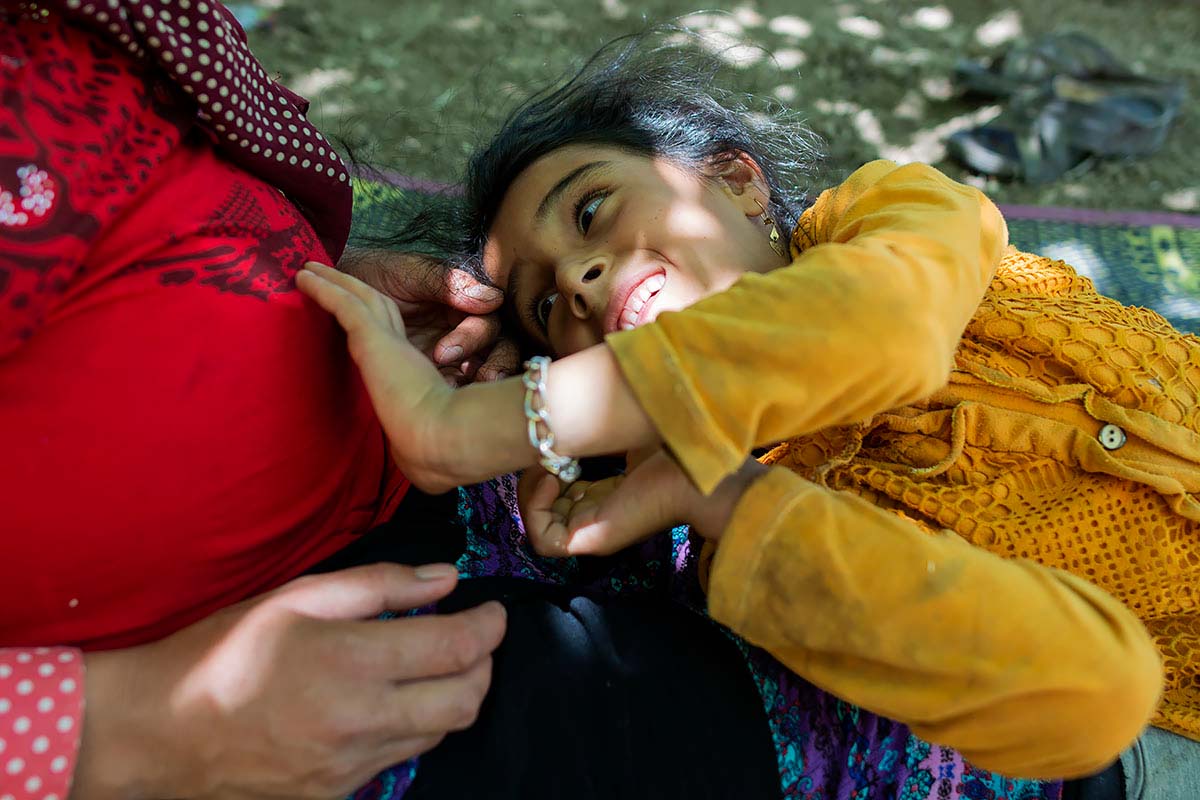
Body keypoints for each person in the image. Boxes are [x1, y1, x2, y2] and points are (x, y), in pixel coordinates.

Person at [297, 31, 1198, 800]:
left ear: (735, 181)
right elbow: (1092, 694)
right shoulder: (776, 539)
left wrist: (494, 423)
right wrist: (723, 498)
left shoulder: (893, 210)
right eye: (542, 310)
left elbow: (872, 335)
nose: (576, 279)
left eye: (592, 208)